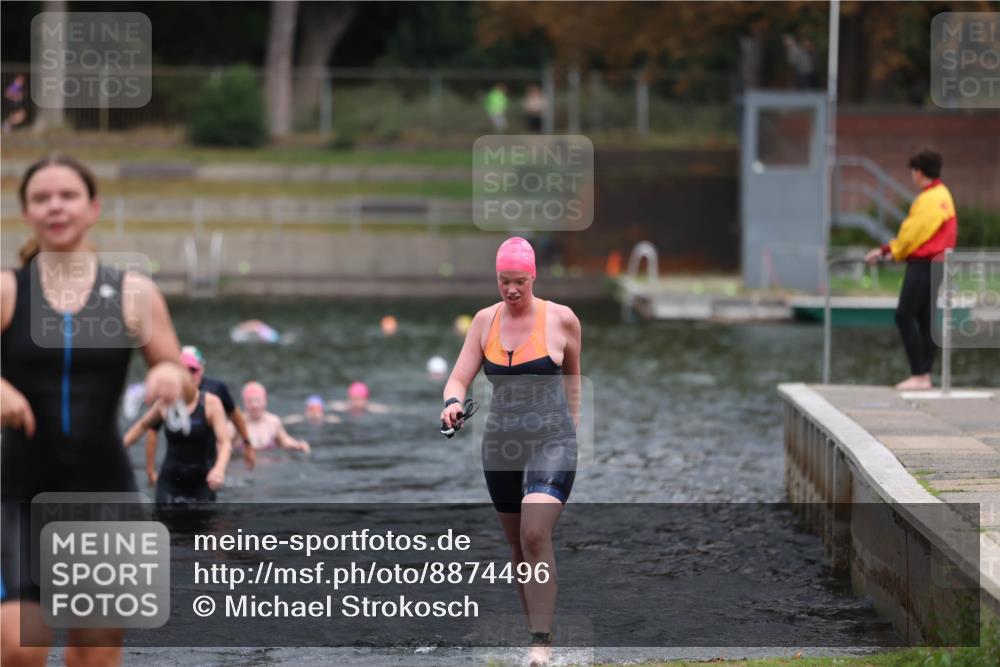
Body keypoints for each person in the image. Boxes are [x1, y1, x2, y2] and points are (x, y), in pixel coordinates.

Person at [1, 155, 194, 666]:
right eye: (42, 198)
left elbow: (176, 372)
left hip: (105, 494)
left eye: (67, 196)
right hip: (18, 494)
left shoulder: (134, 294)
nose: (55, 206)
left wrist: (167, 377)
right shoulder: (5, 291)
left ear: (93, 208)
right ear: (26, 213)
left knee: (96, 652)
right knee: (20, 646)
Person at [439, 236, 582, 667]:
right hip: (500, 444)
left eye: (519, 281)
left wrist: (569, 431)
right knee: (518, 548)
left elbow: (574, 379)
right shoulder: (484, 321)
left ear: (533, 276)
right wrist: (451, 405)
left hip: (552, 440)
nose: (511, 289)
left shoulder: (562, 320)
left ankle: (540, 644)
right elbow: (457, 379)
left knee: (535, 534)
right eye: (504, 281)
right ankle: (537, 634)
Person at [866, 149, 957, 391]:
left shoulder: (928, 199)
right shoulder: (944, 195)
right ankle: (924, 375)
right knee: (926, 319)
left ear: (918, 172)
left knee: (904, 315)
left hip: (924, 263)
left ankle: (919, 374)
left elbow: (911, 234)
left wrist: (887, 250)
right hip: (939, 264)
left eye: (913, 172)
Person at [141, 346, 255, 485]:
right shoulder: (170, 392)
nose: (189, 374)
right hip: (174, 470)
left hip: (207, 467)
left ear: (202, 368)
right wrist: (150, 469)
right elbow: (150, 429)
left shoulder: (216, 390)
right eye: (185, 369)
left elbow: (235, 416)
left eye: (193, 369)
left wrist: (247, 445)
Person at [123, 366, 232, 504]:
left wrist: (219, 469)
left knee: (203, 524)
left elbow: (225, 442)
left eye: (193, 371)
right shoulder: (164, 404)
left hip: (202, 483)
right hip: (169, 483)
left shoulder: (211, 403)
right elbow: (142, 426)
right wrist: (115, 450)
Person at [234, 381, 311, 453]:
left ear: (265, 401)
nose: (254, 405)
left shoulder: (273, 421)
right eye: (250, 401)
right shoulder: (236, 423)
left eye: (258, 400)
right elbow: (224, 443)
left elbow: (284, 440)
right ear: (244, 403)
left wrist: (298, 445)